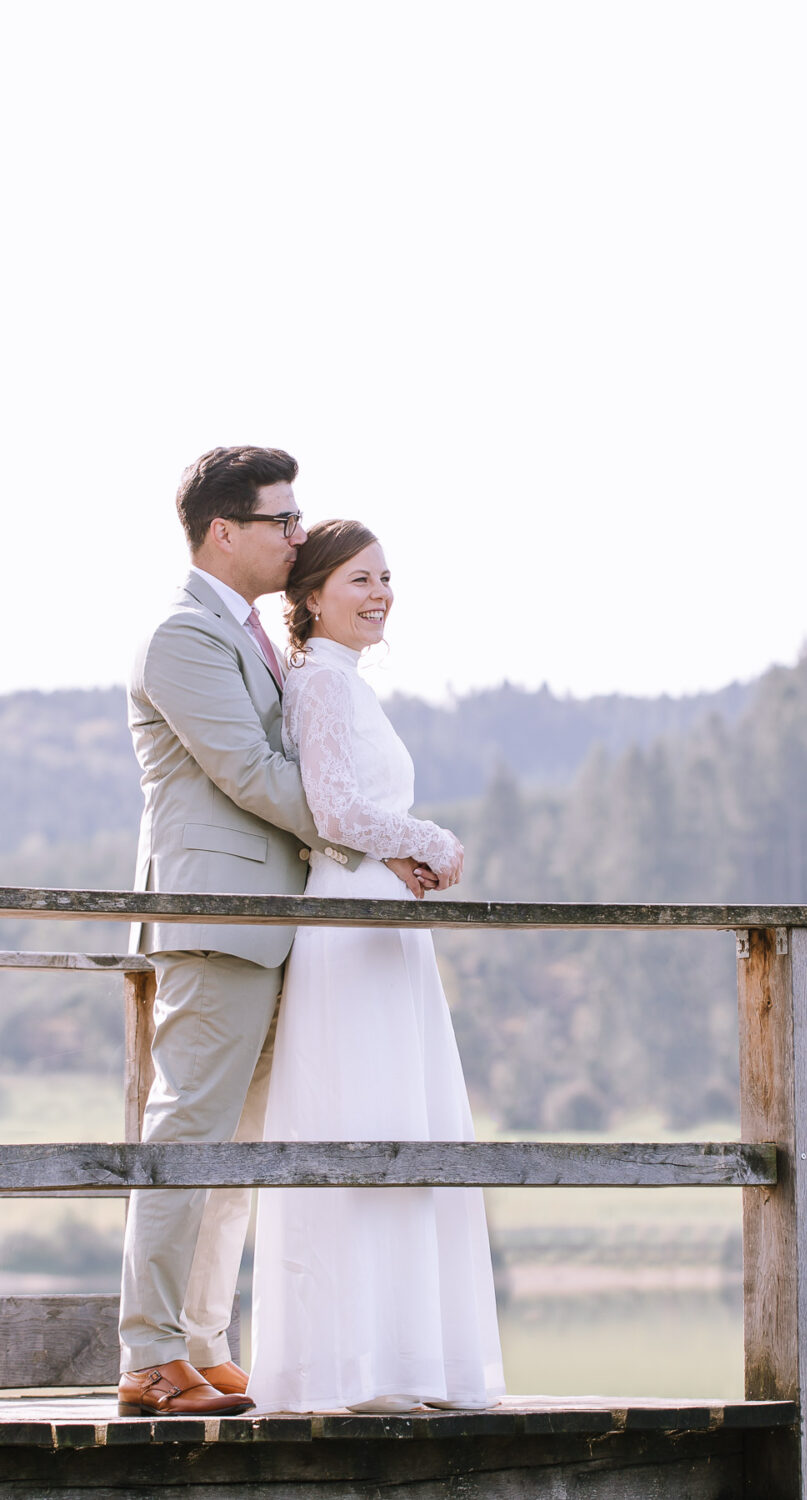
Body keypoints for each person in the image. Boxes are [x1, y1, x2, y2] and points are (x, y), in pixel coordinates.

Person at [118, 448, 424, 1418]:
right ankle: (149, 1355)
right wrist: (374, 833)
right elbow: (251, 773)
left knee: (240, 1150)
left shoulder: (247, 636)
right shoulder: (182, 637)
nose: (298, 535)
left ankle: (203, 1342)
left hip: (282, 921)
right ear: (224, 531)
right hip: (221, 921)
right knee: (190, 1134)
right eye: (282, 521)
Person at [247, 520, 505, 1414]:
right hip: (350, 927)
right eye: (361, 579)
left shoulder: (344, 683)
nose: (381, 594)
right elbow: (336, 804)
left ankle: (402, 1361)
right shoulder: (321, 682)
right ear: (312, 596)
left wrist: (401, 857)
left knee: (403, 1116)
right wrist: (427, 839)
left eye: (387, 578)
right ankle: (350, 1367)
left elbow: (353, 810)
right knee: (360, 1116)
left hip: (382, 917)